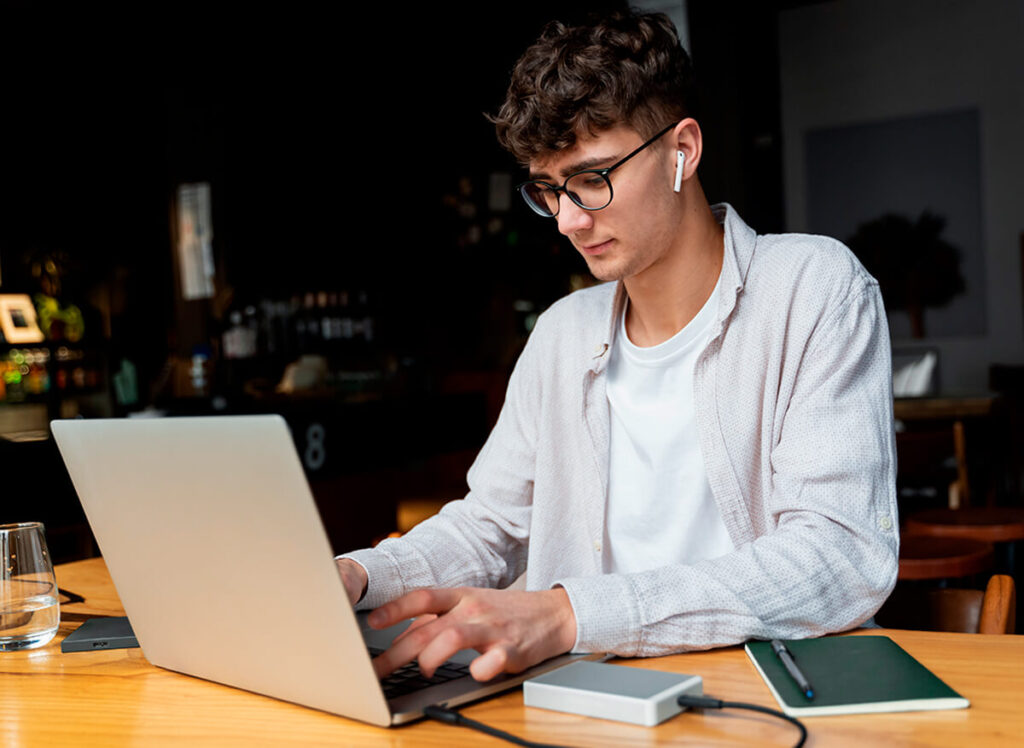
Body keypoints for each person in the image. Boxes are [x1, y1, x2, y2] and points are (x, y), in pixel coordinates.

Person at [336, 10, 898, 683]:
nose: (570, 220)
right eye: (548, 190)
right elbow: (491, 526)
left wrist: (570, 615)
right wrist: (358, 574)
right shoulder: (562, 332)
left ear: (681, 151)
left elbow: (838, 558)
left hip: (771, 693)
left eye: (592, 178)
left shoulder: (812, 288)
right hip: (591, 697)